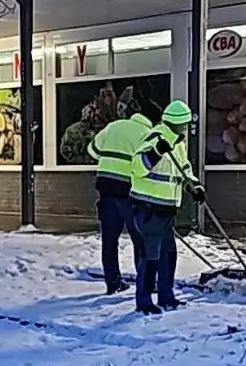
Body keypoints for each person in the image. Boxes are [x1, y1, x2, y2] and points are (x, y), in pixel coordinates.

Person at [129, 100, 205, 315]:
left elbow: (184, 168)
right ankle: (143, 301)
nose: (185, 129)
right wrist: (155, 153)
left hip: (166, 209)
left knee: (167, 255)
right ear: (176, 123)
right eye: (184, 125)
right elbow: (137, 167)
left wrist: (194, 185)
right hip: (149, 207)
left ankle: (166, 296)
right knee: (151, 256)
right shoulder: (155, 138)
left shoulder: (178, 142)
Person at [87, 112, 153, 294]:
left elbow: (92, 150)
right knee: (139, 238)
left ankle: (113, 282)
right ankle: (145, 284)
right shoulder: (146, 133)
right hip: (128, 189)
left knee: (109, 239)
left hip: (106, 186)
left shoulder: (113, 126)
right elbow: (147, 165)